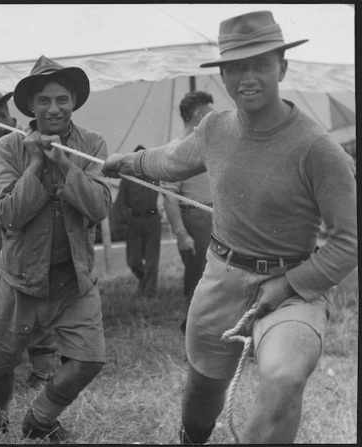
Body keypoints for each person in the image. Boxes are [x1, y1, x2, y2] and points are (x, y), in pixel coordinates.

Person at [102, 11, 357, 444]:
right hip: (220, 279)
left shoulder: (318, 148)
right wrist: (128, 162)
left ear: (283, 66)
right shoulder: (215, 128)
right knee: (203, 388)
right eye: (237, 66)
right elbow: (172, 159)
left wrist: (289, 285)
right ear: (222, 74)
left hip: (291, 287)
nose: (249, 77)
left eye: (261, 64)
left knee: (283, 377)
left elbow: (349, 241)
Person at [0, 55, 112, 442]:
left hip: (72, 278)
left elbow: (101, 206)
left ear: (74, 101)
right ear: (31, 106)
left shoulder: (92, 144)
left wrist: (65, 167)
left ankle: (41, 417)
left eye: (61, 99)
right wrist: (38, 165)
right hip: (19, 276)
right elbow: (8, 213)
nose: (53, 108)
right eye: (44, 101)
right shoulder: (9, 147)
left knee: (90, 358)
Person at [0, 84, 58, 390]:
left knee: (37, 301)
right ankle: (18, 366)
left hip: (35, 231)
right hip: (12, 234)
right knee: (13, 301)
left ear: (7, 114)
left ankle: (46, 368)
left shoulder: (28, 143)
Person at [161, 91, 215, 333]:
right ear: (199, 115)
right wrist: (182, 234)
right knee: (199, 276)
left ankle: (207, 324)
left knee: (215, 275)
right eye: (211, 113)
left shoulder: (205, 145)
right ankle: (192, 326)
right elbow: (169, 197)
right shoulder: (177, 148)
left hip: (214, 216)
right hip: (195, 218)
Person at [113, 144, 161, 300]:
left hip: (153, 220)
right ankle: (143, 280)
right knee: (133, 260)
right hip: (135, 220)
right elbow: (120, 202)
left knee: (152, 261)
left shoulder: (155, 175)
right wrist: (115, 223)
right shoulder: (127, 179)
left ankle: (150, 294)